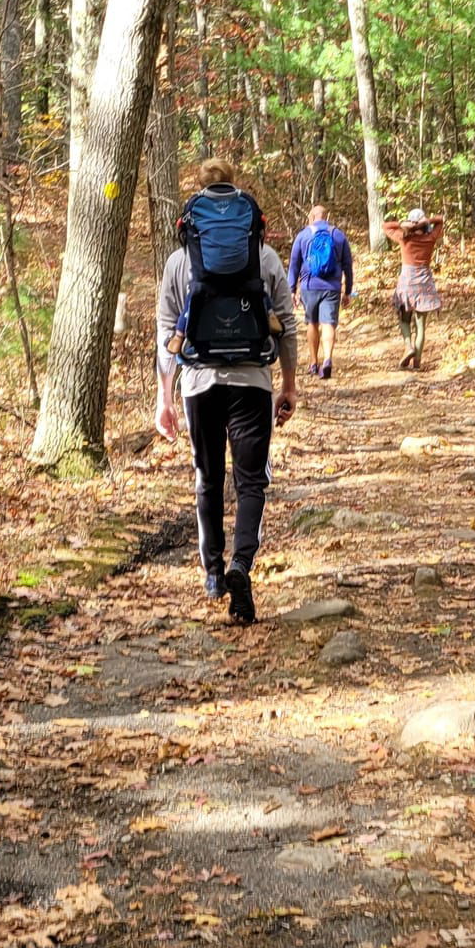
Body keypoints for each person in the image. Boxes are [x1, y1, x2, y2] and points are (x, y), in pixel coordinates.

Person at [155, 156, 298, 624]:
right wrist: (290, 384)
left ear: (197, 193)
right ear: (236, 191)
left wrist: (165, 397)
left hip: (199, 382)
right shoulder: (265, 256)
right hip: (253, 380)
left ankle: (213, 572)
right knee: (251, 479)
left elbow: (165, 331)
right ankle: (241, 562)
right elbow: (288, 324)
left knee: (208, 477)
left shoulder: (180, 260)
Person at [288, 203, 354, 381]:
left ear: (311, 217)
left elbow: (294, 264)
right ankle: (327, 360)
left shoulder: (303, 236)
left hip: (309, 286)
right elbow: (348, 265)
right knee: (329, 324)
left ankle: (313, 362)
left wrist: (292, 289)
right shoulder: (338, 235)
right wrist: (348, 291)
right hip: (332, 287)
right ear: (327, 216)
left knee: (312, 323)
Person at [394, 206, 445, 369]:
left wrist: (408, 224)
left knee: (404, 320)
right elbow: (441, 219)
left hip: (407, 282)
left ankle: (408, 345)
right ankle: (417, 362)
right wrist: (425, 222)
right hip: (424, 283)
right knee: (421, 325)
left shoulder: (404, 238)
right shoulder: (430, 238)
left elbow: (386, 226)